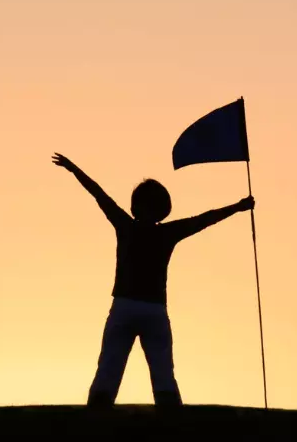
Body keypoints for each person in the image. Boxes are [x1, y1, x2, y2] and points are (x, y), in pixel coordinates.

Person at [52, 152, 255, 407]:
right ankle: (170, 422)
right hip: (154, 309)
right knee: (162, 372)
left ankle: (97, 418)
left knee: (109, 367)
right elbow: (204, 219)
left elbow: (99, 194)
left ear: (136, 206)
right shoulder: (168, 232)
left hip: (125, 306)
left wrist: (73, 168)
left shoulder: (125, 225)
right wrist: (237, 207)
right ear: (163, 209)